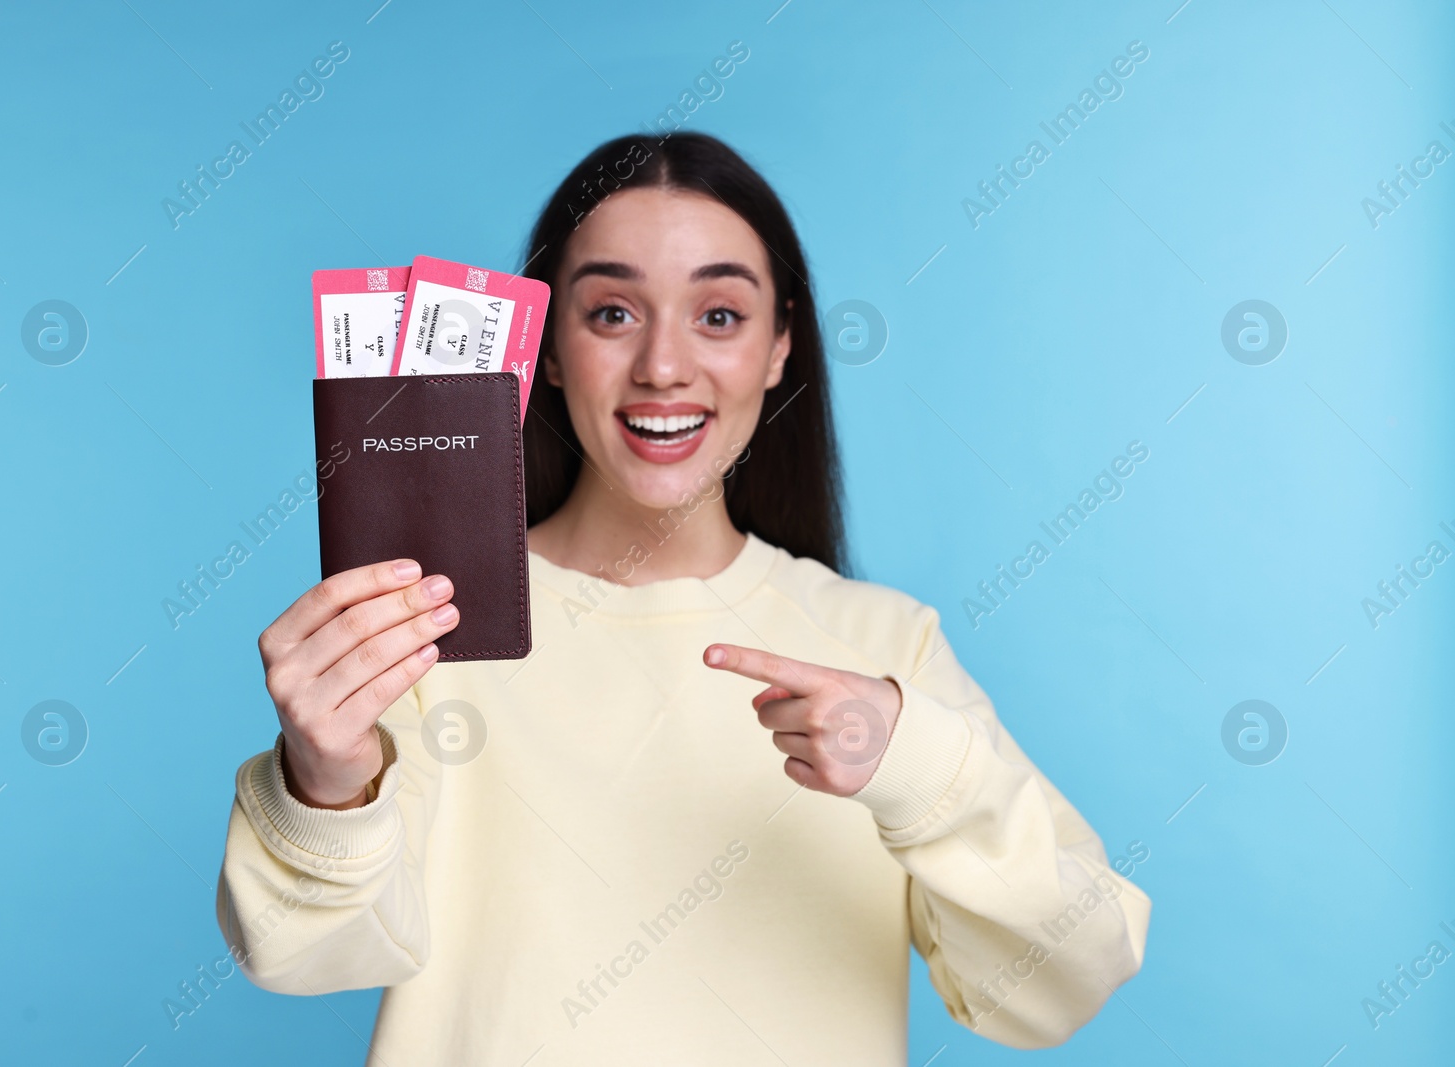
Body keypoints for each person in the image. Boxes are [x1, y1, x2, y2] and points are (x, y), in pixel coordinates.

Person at [217, 132, 1150, 1064]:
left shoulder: (886, 644)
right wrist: (325, 783)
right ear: (545, 351)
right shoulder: (433, 628)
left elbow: (1064, 981)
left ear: (781, 346)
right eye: (614, 313)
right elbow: (305, 954)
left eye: (719, 315)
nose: (664, 367)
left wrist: (922, 769)